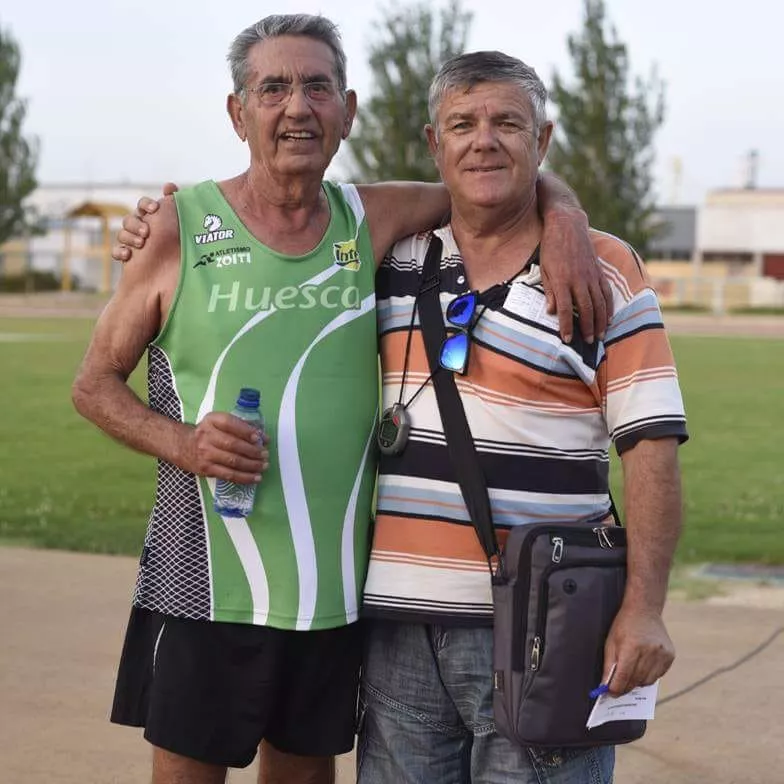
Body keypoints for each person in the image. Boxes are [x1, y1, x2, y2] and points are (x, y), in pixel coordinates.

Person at [77, 14, 610, 784]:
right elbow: (92, 385)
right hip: (204, 582)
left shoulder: (375, 216)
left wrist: (565, 218)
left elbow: (493, 172)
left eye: (317, 86)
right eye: (274, 88)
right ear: (238, 112)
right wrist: (184, 444)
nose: (298, 106)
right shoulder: (178, 226)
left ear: (348, 110)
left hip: (332, 593)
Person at [356, 51, 689, 783]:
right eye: (463, 124)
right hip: (397, 634)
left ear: (542, 142)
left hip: (548, 626)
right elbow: (282, 220)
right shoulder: (389, 257)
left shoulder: (603, 271)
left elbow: (653, 451)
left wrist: (644, 610)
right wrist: (162, 223)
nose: (485, 140)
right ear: (432, 142)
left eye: (509, 123)